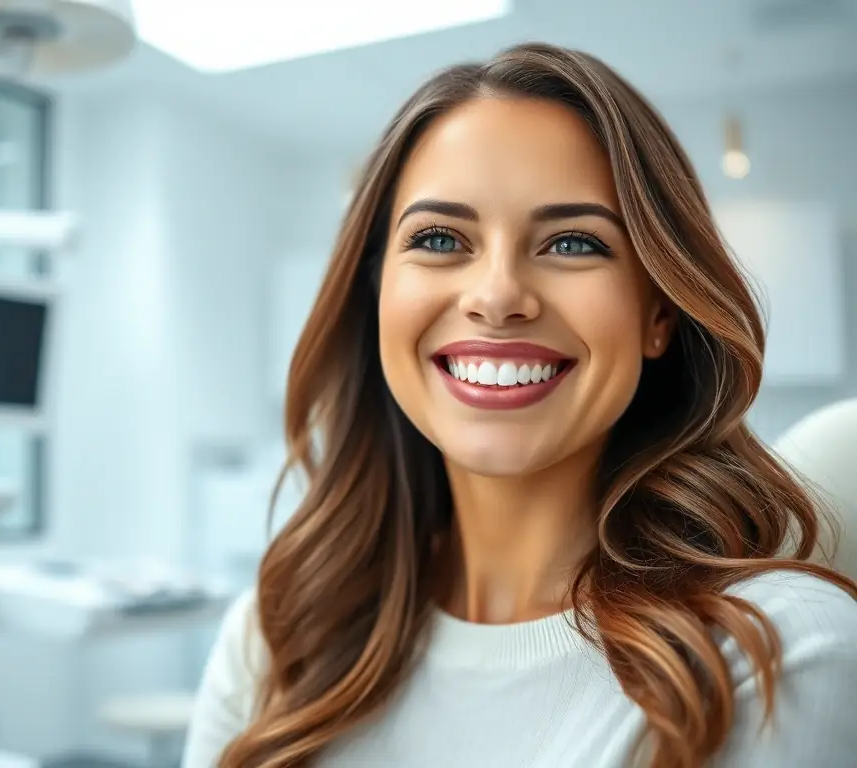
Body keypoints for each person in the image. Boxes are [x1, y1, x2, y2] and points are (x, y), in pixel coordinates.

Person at [183, 42, 857, 768]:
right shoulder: (277, 636)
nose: (498, 296)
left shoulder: (777, 652)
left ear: (657, 314)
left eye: (571, 242)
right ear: (378, 293)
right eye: (441, 239)